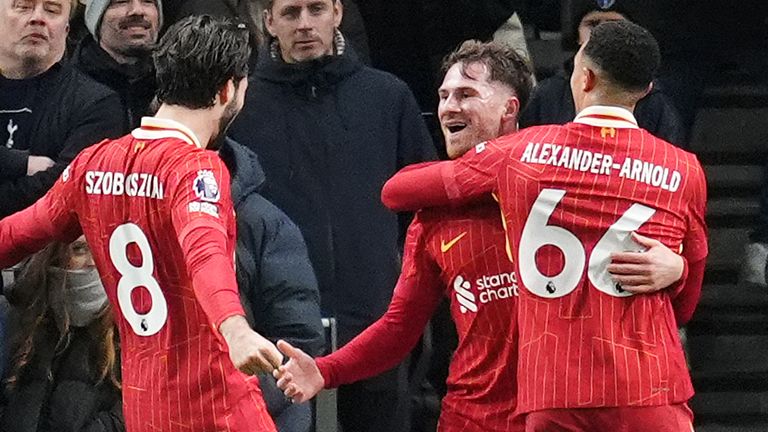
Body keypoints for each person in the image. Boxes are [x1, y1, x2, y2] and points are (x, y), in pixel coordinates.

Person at [274, 40, 688, 431]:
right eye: (443, 96)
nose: (448, 106)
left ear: (510, 109)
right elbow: (400, 327)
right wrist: (326, 369)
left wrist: (677, 267)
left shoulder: (569, 185)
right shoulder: (436, 214)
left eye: (466, 94)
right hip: (475, 416)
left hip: (569, 410)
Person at [378, 21, 707, 431]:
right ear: (647, 90)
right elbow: (686, 306)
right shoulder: (684, 168)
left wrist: (483, 182)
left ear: (583, 77)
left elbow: (396, 191)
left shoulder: (525, 152)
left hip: (557, 391)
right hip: (650, 389)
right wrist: (677, 270)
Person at [0, 15, 283, 432]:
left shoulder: (92, 163)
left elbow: (15, 234)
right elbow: (203, 250)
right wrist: (235, 328)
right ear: (228, 91)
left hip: (145, 409)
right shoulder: (196, 169)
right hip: (216, 407)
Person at [228, 1, 437, 430]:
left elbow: (424, 207)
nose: (305, 24)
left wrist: (398, 280)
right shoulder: (241, 104)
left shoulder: (387, 96)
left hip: (375, 321)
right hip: (274, 328)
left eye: (316, 9)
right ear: (268, 22)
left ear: (338, 13)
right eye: (290, 13)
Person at [219, 137, 325, 432]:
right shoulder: (138, 216)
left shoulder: (263, 223)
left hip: (263, 412)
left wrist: (218, 391)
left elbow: (297, 347)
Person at [0, 0, 124, 219]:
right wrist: (20, 164)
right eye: (23, 6)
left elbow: (66, 191)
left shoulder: (97, 104)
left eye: (52, 10)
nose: (38, 18)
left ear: (66, 29)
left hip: (46, 250)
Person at [520, 1, 686, 148]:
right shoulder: (545, 95)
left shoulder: (655, 103)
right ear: (577, 33)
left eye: (614, 25)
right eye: (593, 24)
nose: (603, 34)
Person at [0, 237, 123, 432]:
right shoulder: (22, 313)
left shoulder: (131, 323)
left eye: (101, 249)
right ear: (54, 254)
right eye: (80, 249)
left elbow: (129, 410)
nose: (93, 262)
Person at [71, 0, 160, 130]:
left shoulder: (175, 86)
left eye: (147, 1)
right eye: (121, 2)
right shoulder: (68, 89)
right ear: (97, 18)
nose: (137, 11)